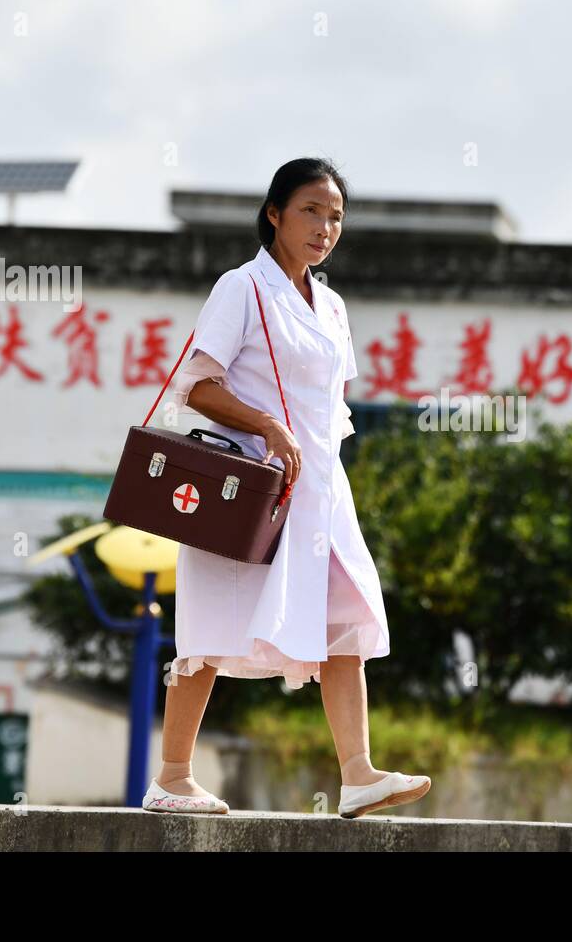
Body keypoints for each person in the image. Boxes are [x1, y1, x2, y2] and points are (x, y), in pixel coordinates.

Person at [140, 158, 431, 819]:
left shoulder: (332, 306)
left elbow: (331, 407)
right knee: (210, 625)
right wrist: (268, 425)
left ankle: (357, 774)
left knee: (345, 615)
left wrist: (316, 457)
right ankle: (172, 777)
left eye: (336, 216)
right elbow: (197, 385)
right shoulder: (241, 287)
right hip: (245, 489)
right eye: (310, 211)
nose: (325, 227)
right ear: (274, 214)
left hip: (321, 491)